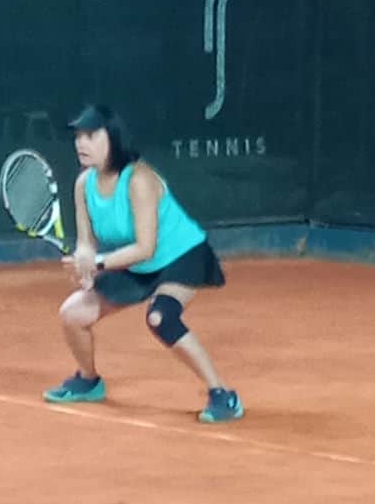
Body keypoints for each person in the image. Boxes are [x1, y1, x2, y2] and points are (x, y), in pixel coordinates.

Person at [43, 103, 244, 422]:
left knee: (161, 318)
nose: (81, 143)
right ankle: (88, 380)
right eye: (79, 136)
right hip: (133, 265)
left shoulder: (139, 179)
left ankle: (222, 394)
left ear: (112, 138)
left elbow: (145, 248)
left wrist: (98, 264)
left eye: (91, 135)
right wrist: (85, 263)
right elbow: (86, 242)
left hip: (181, 257)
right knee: (72, 314)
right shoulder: (83, 184)